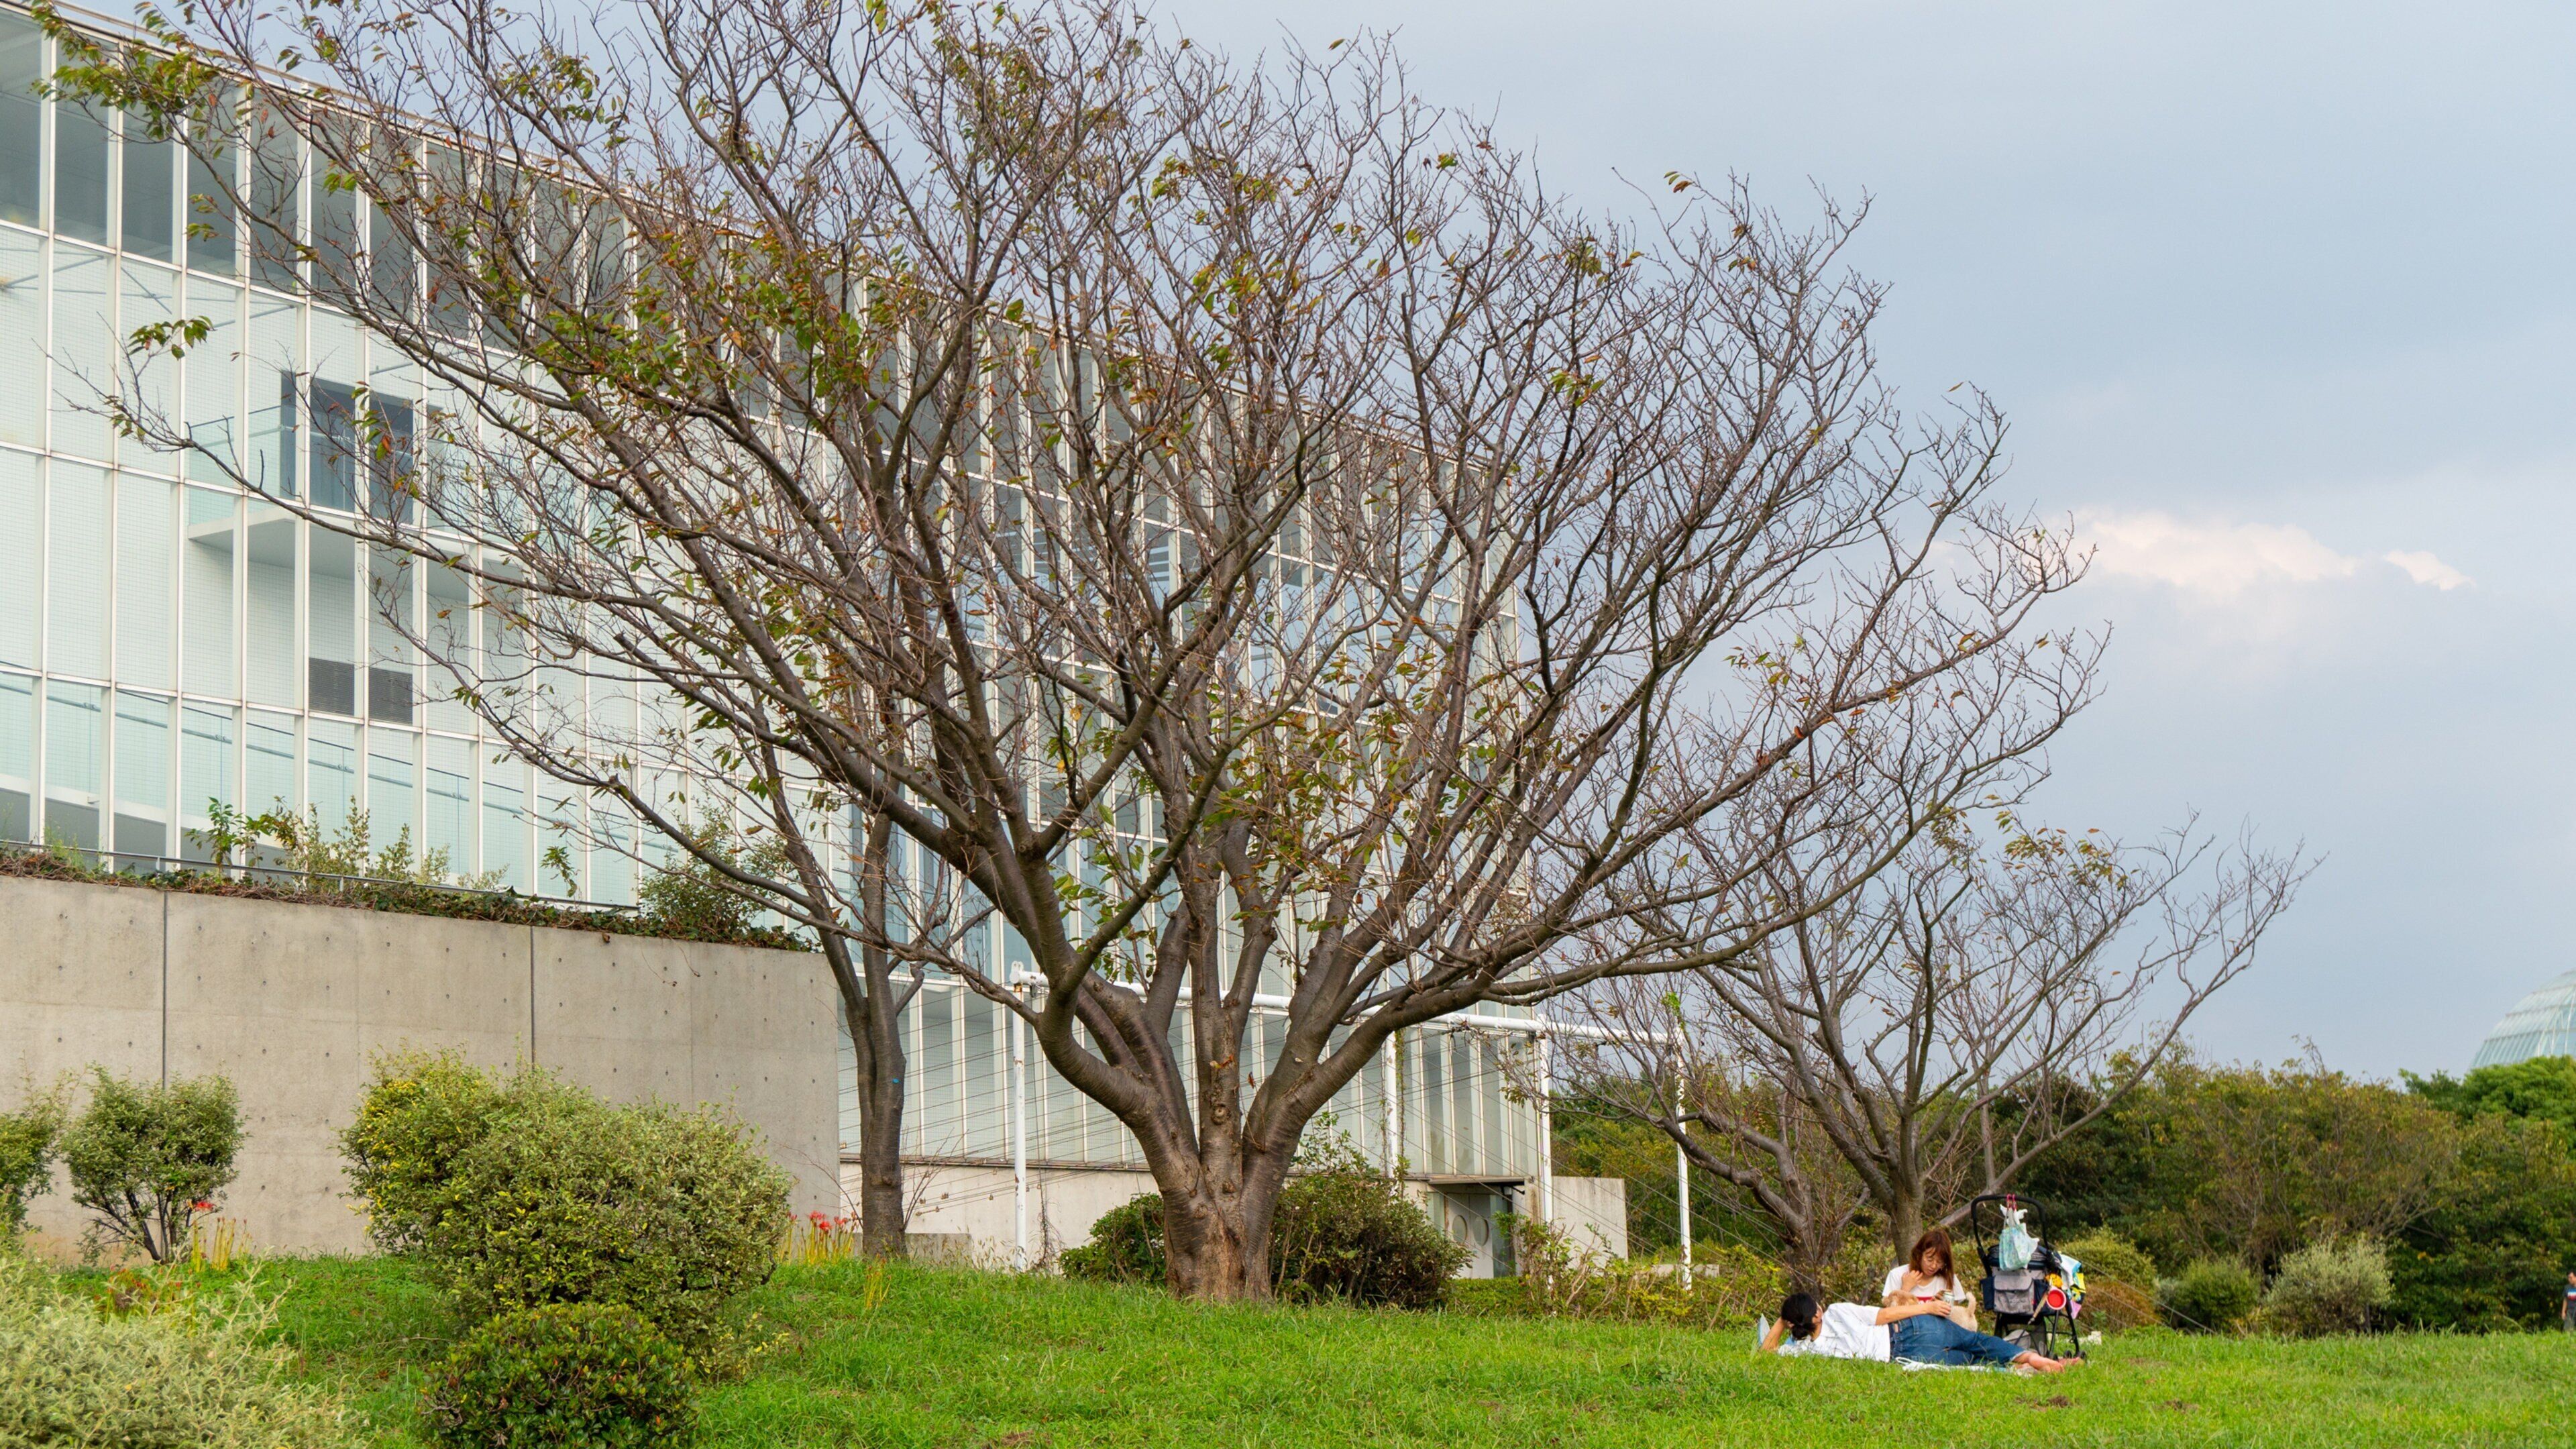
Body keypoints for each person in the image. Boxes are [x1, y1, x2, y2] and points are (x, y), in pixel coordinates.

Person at [1760, 1291, 2080, 1374]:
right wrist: (1925, 1308)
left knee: (1972, 1363)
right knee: (1978, 1342)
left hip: (1905, 1356)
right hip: (1910, 1328)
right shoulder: (1838, 1313)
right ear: (1816, 1311)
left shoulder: (1805, 1351)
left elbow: (1766, 1355)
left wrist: (1781, 1320)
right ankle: (2033, 1359)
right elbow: (1884, 1315)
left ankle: (2028, 1367)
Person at [1883, 1226, 1978, 1330]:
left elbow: (1953, 1317)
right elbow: (1888, 1316)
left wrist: (1943, 1305)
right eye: (1930, 1259)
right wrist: (1905, 1289)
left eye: (1939, 1262)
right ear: (1919, 1254)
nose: (1934, 1266)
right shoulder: (1897, 1275)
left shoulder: (1949, 1279)